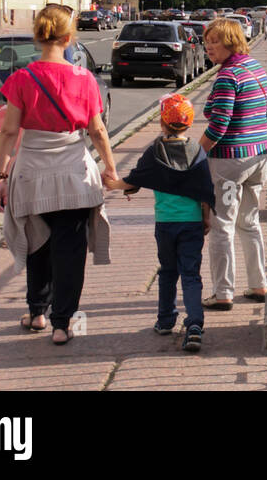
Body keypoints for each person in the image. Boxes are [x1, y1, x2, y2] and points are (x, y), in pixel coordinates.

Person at [0, 4, 114, 345]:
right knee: (70, 248)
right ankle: (62, 324)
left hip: (31, 171)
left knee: (36, 242)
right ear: (69, 37)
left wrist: (0, 176)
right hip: (73, 170)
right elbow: (97, 130)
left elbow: (8, 132)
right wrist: (110, 167)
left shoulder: (21, 79)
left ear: (38, 36)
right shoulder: (84, 79)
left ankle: (37, 313)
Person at [104, 95, 215, 352]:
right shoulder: (197, 151)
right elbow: (204, 190)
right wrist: (205, 217)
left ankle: (165, 321)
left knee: (167, 271)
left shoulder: (155, 150)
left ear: (163, 122)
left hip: (165, 223)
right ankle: (195, 324)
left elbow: (133, 181)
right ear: (189, 123)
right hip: (191, 222)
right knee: (191, 273)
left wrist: (114, 183)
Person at [200, 18, 267, 309]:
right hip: (259, 157)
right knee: (250, 222)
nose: (209, 47)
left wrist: (195, 156)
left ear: (231, 42)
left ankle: (223, 293)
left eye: (215, 41)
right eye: (207, 41)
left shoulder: (227, 76)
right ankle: (258, 285)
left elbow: (218, 126)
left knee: (222, 226)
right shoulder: (255, 68)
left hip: (231, 163)